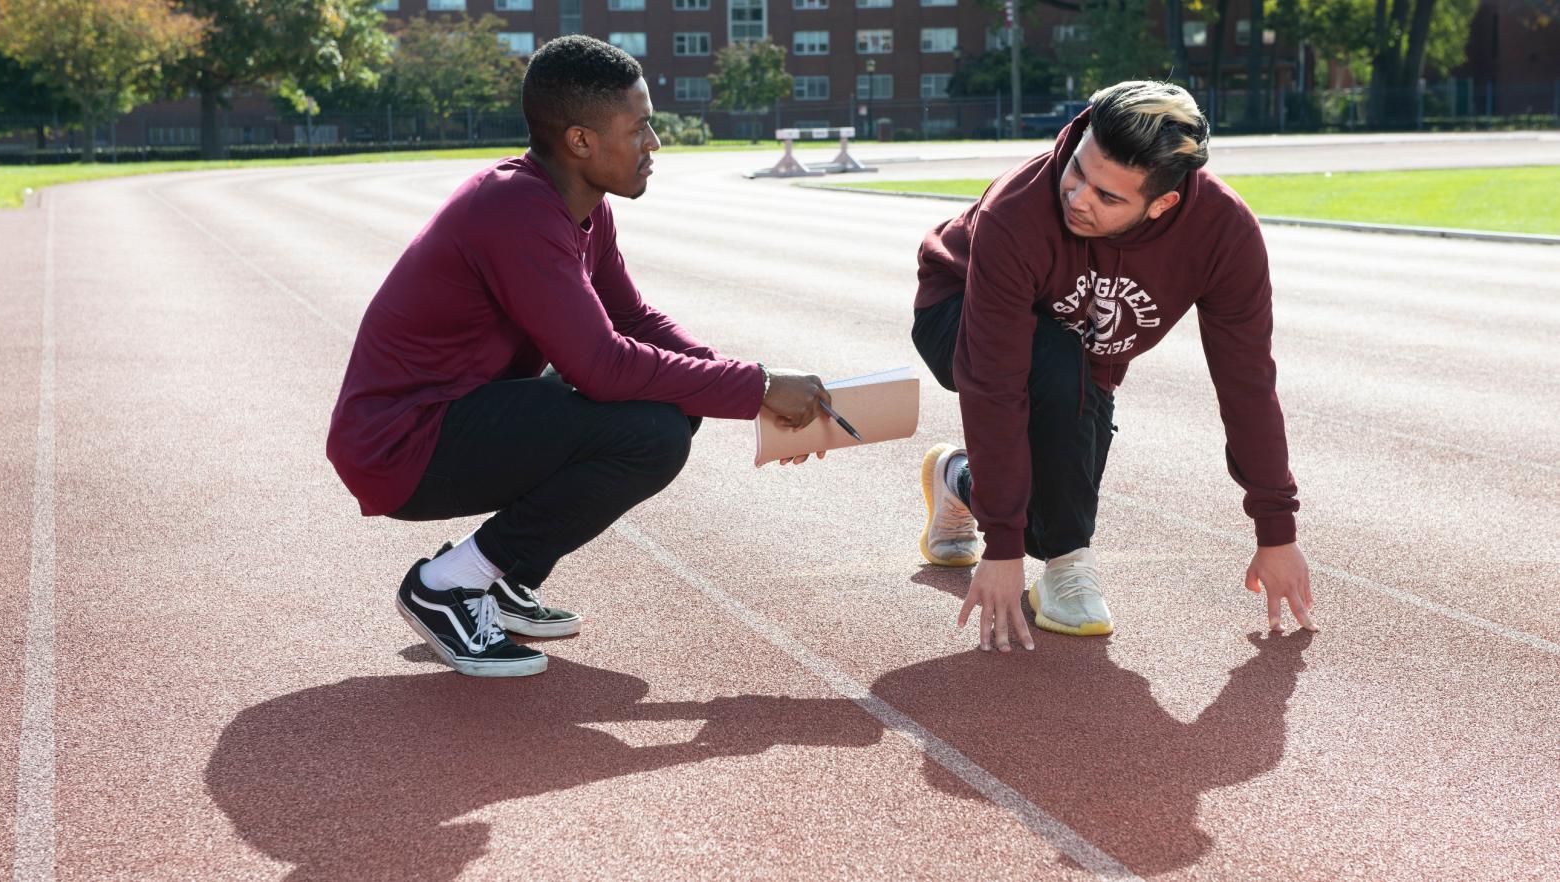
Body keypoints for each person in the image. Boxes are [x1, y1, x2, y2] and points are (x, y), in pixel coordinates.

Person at [326, 35, 830, 677]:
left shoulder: (578, 204)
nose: (654, 143)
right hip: (401, 443)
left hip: (456, 417)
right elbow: (602, 366)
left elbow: (634, 319)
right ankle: (447, 586)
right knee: (649, 430)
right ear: (580, 142)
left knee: (672, 404)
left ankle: (500, 581)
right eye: (640, 127)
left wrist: (754, 385)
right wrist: (756, 387)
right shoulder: (515, 208)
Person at [912, 80, 1317, 653]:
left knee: (1072, 452)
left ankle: (959, 479)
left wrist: (1277, 532)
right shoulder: (1018, 210)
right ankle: (1067, 566)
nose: (1077, 197)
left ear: (1162, 203)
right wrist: (1003, 549)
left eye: (1108, 197)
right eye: (1077, 170)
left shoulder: (1224, 235)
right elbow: (994, 382)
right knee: (1051, 374)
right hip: (954, 310)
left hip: (1082, 356)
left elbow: (1247, 382)